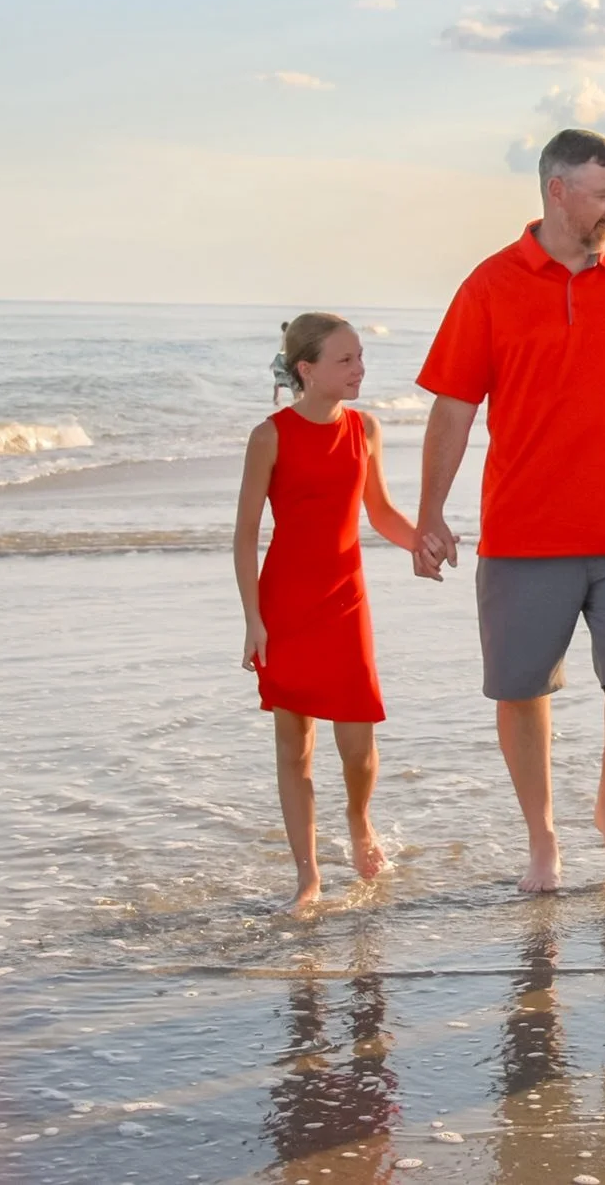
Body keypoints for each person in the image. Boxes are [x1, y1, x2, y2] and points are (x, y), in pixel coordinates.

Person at [413, 128, 605, 894]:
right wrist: (430, 512)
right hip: (525, 532)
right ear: (557, 192)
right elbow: (452, 411)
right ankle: (541, 836)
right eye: (604, 192)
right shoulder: (489, 286)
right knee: (521, 692)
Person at [235, 312, 420, 915]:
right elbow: (244, 538)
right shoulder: (270, 436)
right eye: (346, 361)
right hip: (286, 603)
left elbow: (381, 512)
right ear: (307, 371)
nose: (359, 369)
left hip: (346, 600)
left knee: (358, 746)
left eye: (361, 358)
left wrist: (421, 540)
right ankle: (308, 876)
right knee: (295, 745)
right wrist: (252, 620)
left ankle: (359, 821)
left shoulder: (364, 430)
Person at [270, 321, 294, 405]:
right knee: (280, 383)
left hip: (286, 359)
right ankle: (276, 401)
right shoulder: (288, 336)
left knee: (279, 383)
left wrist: (275, 362)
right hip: (286, 359)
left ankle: (276, 401)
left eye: (284, 329)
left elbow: (283, 350)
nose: (283, 330)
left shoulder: (287, 336)